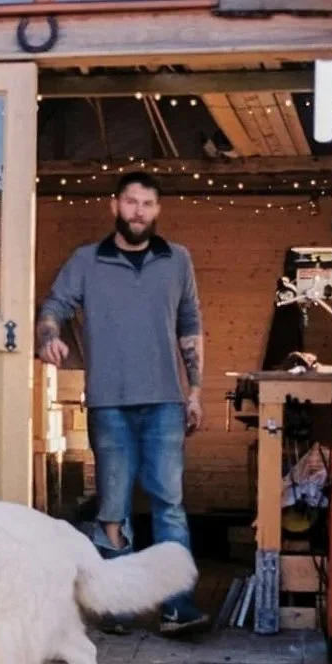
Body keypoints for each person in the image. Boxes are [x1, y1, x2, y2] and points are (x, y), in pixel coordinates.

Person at [37, 171, 209, 636]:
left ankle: (177, 606)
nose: (138, 211)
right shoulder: (87, 261)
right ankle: (118, 604)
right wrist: (49, 337)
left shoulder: (178, 261)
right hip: (109, 402)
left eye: (148, 204)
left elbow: (190, 323)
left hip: (166, 402)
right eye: (131, 202)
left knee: (169, 504)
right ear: (116, 206)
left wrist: (194, 391)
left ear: (157, 210)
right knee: (113, 506)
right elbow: (54, 305)